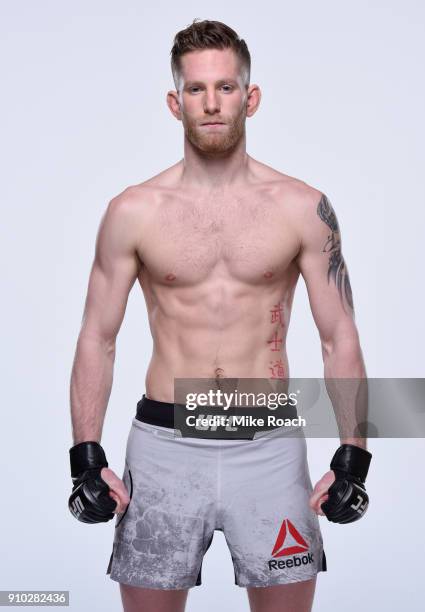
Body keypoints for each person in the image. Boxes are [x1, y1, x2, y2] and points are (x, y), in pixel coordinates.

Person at [68, 19, 372, 612]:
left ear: (250, 98)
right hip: (163, 446)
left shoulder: (302, 207)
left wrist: (355, 456)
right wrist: (84, 457)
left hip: (269, 444)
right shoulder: (132, 211)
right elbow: (96, 338)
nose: (212, 103)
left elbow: (340, 337)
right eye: (197, 89)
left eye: (227, 88)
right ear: (174, 100)